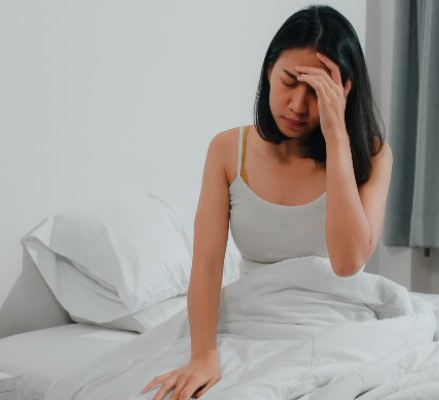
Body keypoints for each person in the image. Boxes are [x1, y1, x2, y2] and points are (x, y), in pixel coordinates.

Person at [141, 4, 393, 400]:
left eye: (316, 91)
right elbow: (207, 265)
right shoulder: (228, 150)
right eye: (289, 81)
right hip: (251, 318)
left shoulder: (371, 154)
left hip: (335, 321)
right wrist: (204, 353)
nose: (297, 105)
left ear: (344, 91)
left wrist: (337, 138)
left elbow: (347, 263)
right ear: (268, 71)